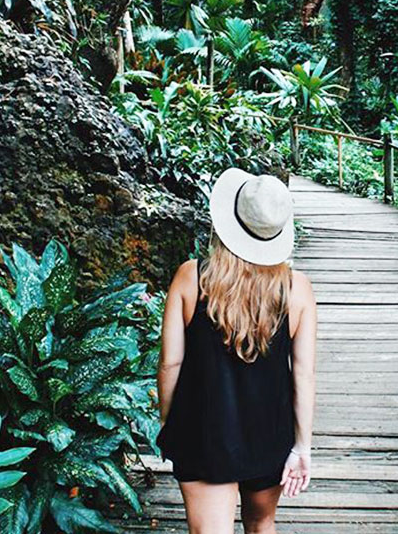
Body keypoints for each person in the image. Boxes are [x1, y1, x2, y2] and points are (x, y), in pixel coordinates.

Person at [156, 167, 317, 534]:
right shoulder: (297, 289)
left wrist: (169, 423)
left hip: (202, 430)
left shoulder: (191, 277)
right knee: (261, 523)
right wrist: (302, 447)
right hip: (268, 432)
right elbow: (304, 375)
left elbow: (170, 363)